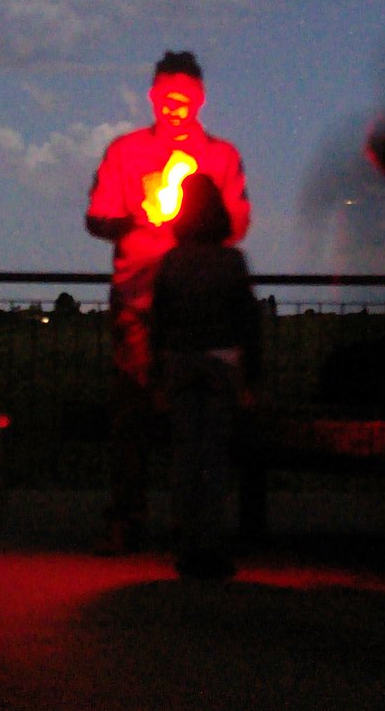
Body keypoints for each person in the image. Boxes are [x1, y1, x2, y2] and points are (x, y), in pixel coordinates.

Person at [84, 50, 248, 554]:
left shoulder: (220, 157)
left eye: (185, 99)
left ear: (199, 100)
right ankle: (128, 517)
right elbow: (96, 217)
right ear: (153, 97)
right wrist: (136, 219)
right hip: (138, 298)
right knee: (132, 411)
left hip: (197, 306)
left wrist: (196, 226)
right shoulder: (126, 153)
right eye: (166, 98)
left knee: (198, 419)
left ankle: (195, 523)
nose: (174, 108)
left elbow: (238, 224)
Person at [149, 173, 259, 582]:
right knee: (213, 456)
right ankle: (212, 547)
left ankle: (186, 545)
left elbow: (159, 320)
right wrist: (251, 378)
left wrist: (157, 376)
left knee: (184, 456)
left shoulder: (172, 261)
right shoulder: (232, 261)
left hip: (179, 362)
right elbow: (247, 322)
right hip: (220, 362)